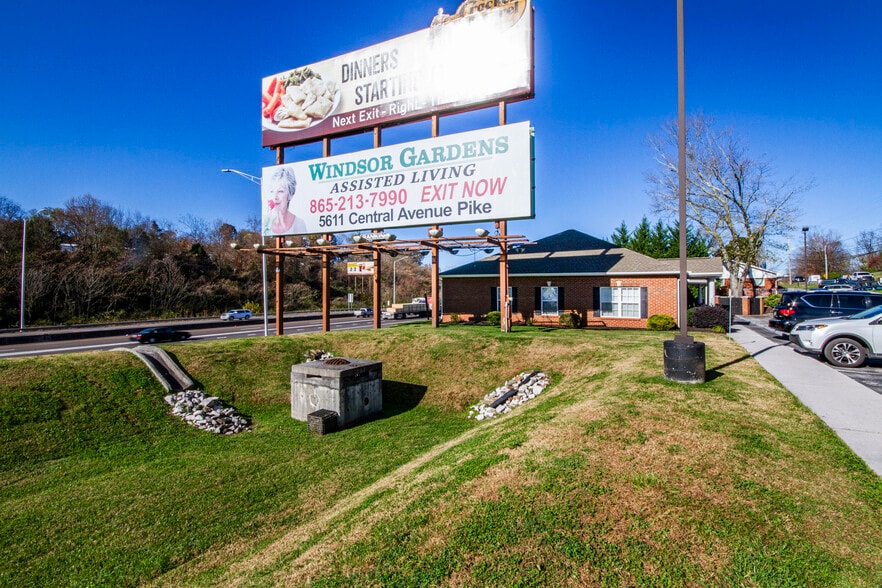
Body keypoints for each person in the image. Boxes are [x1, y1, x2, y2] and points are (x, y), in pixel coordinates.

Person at [264, 167, 308, 235]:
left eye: (280, 191)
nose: (275, 197)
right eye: (272, 191)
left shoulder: (299, 224)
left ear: (291, 194)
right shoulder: (265, 224)